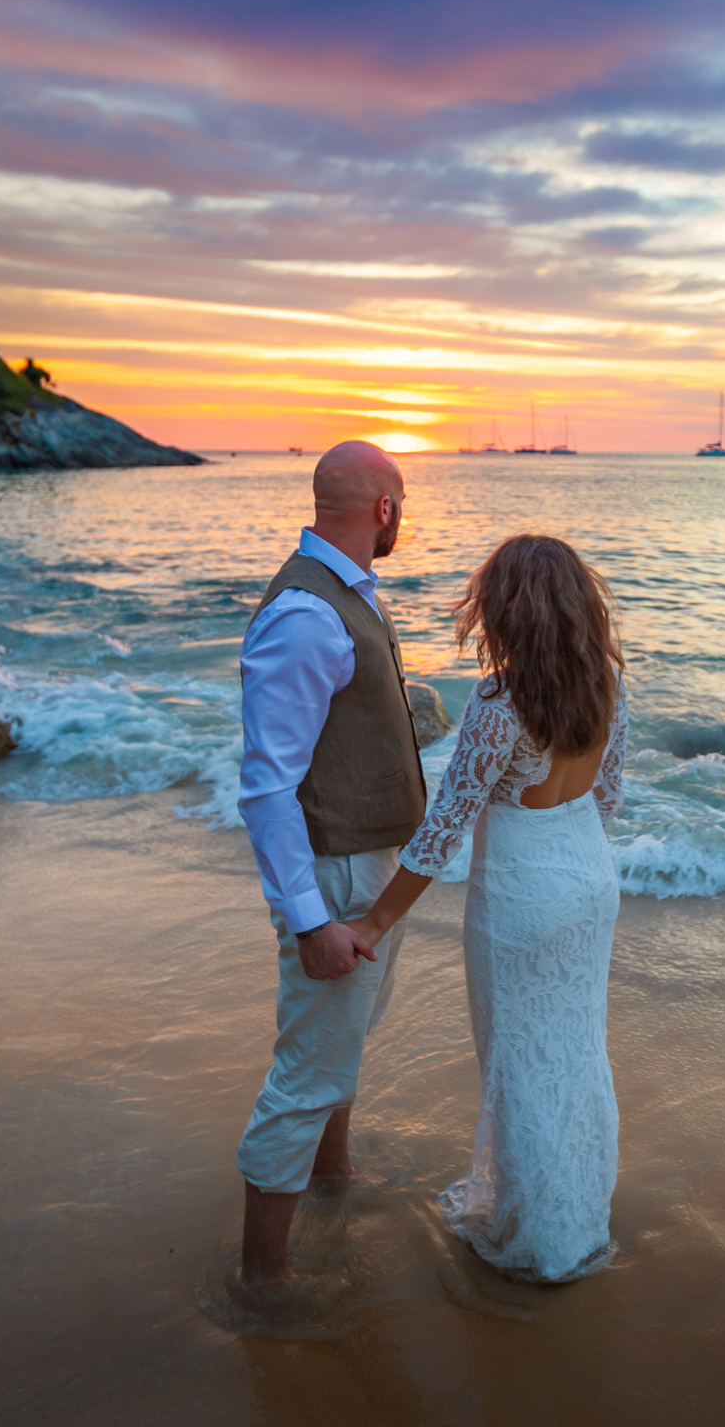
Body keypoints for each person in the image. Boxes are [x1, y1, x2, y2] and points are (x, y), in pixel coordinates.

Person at [346, 534, 628, 1283]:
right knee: (573, 1052)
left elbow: (447, 824)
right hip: (590, 879)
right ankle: (579, 1217)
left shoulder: (501, 702)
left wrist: (376, 920)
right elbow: (609, 797)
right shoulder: (608, 682)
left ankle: (538, 1240)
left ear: (507, 610)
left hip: (522, 894)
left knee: (518, 1060)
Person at [234, 440, 430, 1289]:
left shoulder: (348, 595)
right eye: (404, 503)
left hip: (364, 865)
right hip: (336, 876)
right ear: (384, 508)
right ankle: (264, 1275)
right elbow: (267, 789)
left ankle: (332, 1173)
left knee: (336, 1046)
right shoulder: (308, 615)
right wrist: (311, 919)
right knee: (307, 1069)